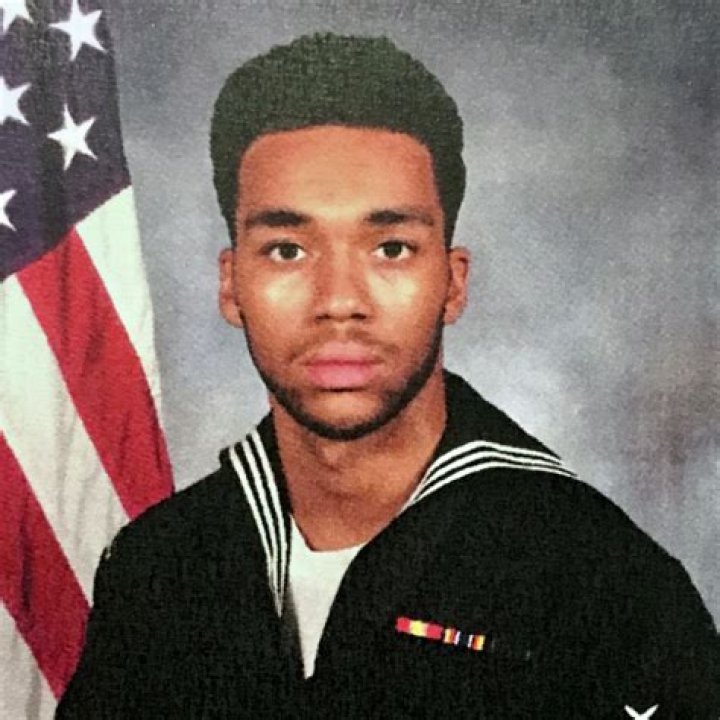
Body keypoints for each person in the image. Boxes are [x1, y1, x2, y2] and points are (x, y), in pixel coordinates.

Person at [57, 33, 719, 719]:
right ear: (231, 285)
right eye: (287, 250)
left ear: (453, 283)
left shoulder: (599, 581)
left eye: (392, 248)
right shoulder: (159, 568)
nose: (340, 300)